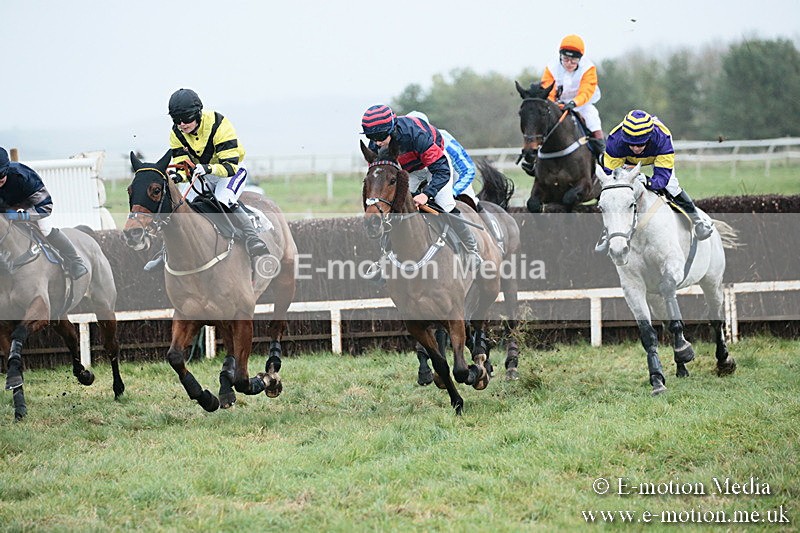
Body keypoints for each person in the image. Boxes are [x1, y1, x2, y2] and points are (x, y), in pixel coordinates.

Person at [361, 104, 482, 270]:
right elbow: (379, 176)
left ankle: (471, 250)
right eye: (372, 137)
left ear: (392, 128)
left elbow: (442, 170)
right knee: (395, 207)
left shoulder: (416, 135)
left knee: (446, 204)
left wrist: (427, 194)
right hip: (410, 170)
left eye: (381, 136)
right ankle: (384, 258)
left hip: (435, 166)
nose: (377, 142)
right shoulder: (376, 144)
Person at [166, 88, 268, 259]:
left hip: (231, 171)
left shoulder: (219, 124)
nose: (182, 124)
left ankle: (253, 238)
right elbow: (182, 164)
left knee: (223, 199)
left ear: (198, 113)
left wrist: (207, 169)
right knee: (182, 207)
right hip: (202, 173)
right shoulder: (176, 133)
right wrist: (179, 175)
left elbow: (229, 166)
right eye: (177, 120)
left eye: (187, 118)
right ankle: (166, 253)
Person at [596, 109, 714, 252]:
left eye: (640, 144)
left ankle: (697, 222)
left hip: (656, 155)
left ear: (649, 137)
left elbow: (662, 179)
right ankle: (606, 233)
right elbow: (611, 178)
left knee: (672, 187)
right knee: (615, 195)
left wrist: (647, 181)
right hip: (625, 161)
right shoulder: (615, 140)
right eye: (631, 144)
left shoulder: (662, 139)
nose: (635, 148)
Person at [0, 147, 88, 279]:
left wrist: (20, 216)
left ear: (6, 170)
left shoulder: (24, 177)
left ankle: (75, 261)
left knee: (45, 228)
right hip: (4, 208)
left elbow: (46, 206)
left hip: (30, 205)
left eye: (0, 177)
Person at [527, 33, 604, 173]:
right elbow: (547, 90)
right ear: (560, 56)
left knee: (593, 118)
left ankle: (602, 155)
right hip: (557, 104)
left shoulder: (588, 68)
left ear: (579, 59)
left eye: (573, 61)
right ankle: (533, 160)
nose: (569, 63)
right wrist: (555, 104)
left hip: (582, 104)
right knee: (542, 123)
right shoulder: (551, 67)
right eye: (565, 59)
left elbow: (587, 90)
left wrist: (574, 103)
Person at [406, 111, 481, 211]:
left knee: (467, 204)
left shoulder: (444, 140)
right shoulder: (403, 142)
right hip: (426, 173)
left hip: (454, 175)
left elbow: (468, 170)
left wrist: (453, 192)